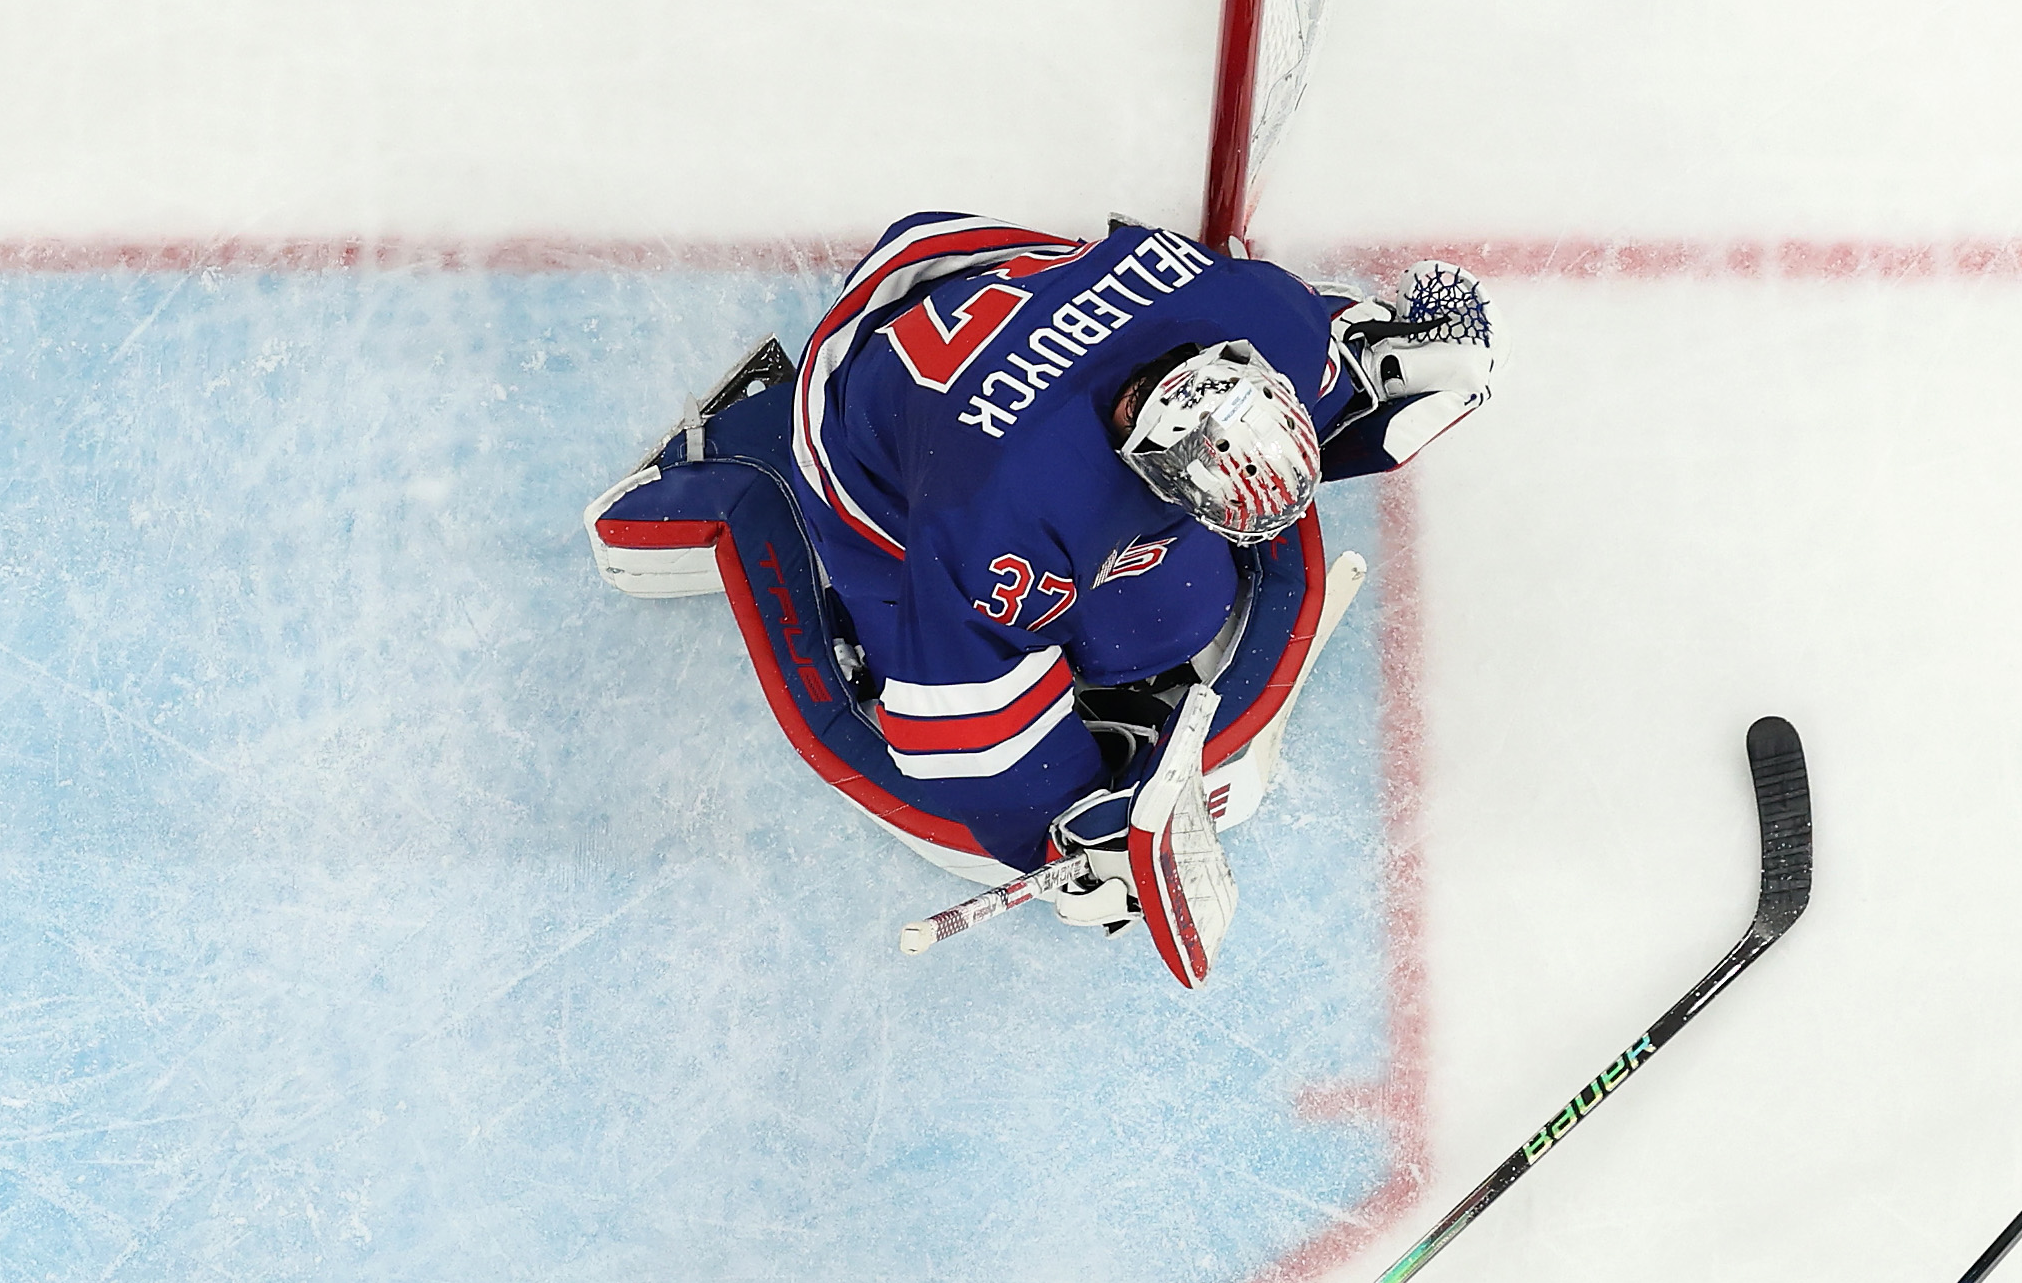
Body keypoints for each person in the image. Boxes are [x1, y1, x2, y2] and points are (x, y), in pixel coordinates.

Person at [588, 209, 1497, 931]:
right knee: (1089, 625)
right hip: (869, 434)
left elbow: (1338, 362)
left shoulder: (1266, 319)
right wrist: (1055, 830)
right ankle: (749, 455)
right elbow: (958, 727)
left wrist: (1399, 363)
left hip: (990, 280)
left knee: (1169, 611)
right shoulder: (1003, 515)